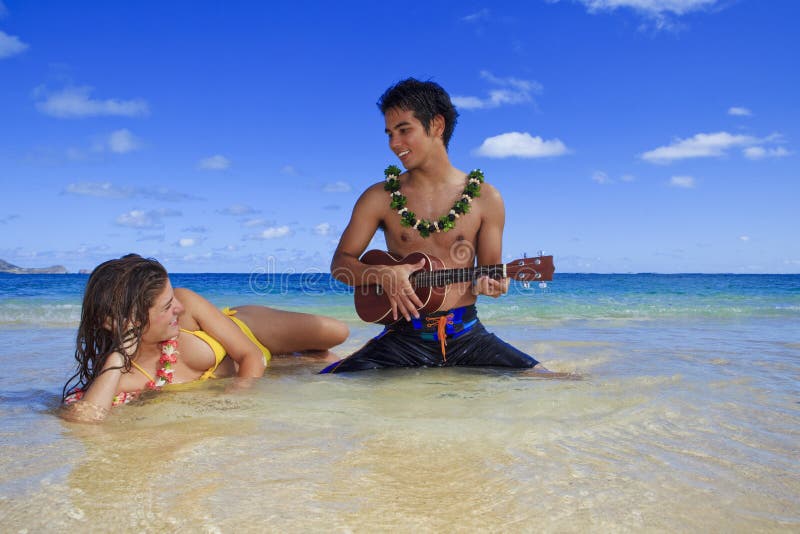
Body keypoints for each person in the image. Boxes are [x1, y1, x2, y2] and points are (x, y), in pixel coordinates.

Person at [323, 78, 557, 374]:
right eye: (390, 134)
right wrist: (380, 274)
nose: (394, 144)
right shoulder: (378, 197)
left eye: (404, 130)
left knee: (551, 380)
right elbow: (339, 265)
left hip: (468, 336)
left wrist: (492, 285)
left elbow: (487, 274)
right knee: (328, 383)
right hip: (403, 337)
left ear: (436, 125)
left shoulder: (486, 198)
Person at [61, 254, 349, 422]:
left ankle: (292, 353)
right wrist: (118, 353)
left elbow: (250, 356)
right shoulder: (122, 377)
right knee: (326, 363)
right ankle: (293, 358)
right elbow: (85, 419)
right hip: (258, 363)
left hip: (249, 332)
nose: (179, 307)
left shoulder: (185, 304)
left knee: (338, 333)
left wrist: (235, 401)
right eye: (166, 306)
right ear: (129, 321)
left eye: (172, 298)